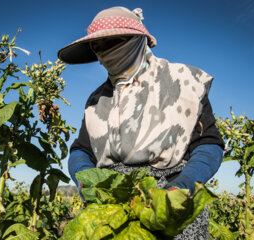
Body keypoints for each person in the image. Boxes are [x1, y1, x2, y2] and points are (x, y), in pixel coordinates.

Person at [57, 6, 224, 239]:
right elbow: (81, 150)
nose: (103, 53)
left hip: (170, 197)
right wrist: (85, 179)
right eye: (97, 47)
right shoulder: (97, 101)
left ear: (136, 41)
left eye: (111, 43)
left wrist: (183, 186)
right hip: (111, 200)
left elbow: (209, 144)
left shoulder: (184, 83)